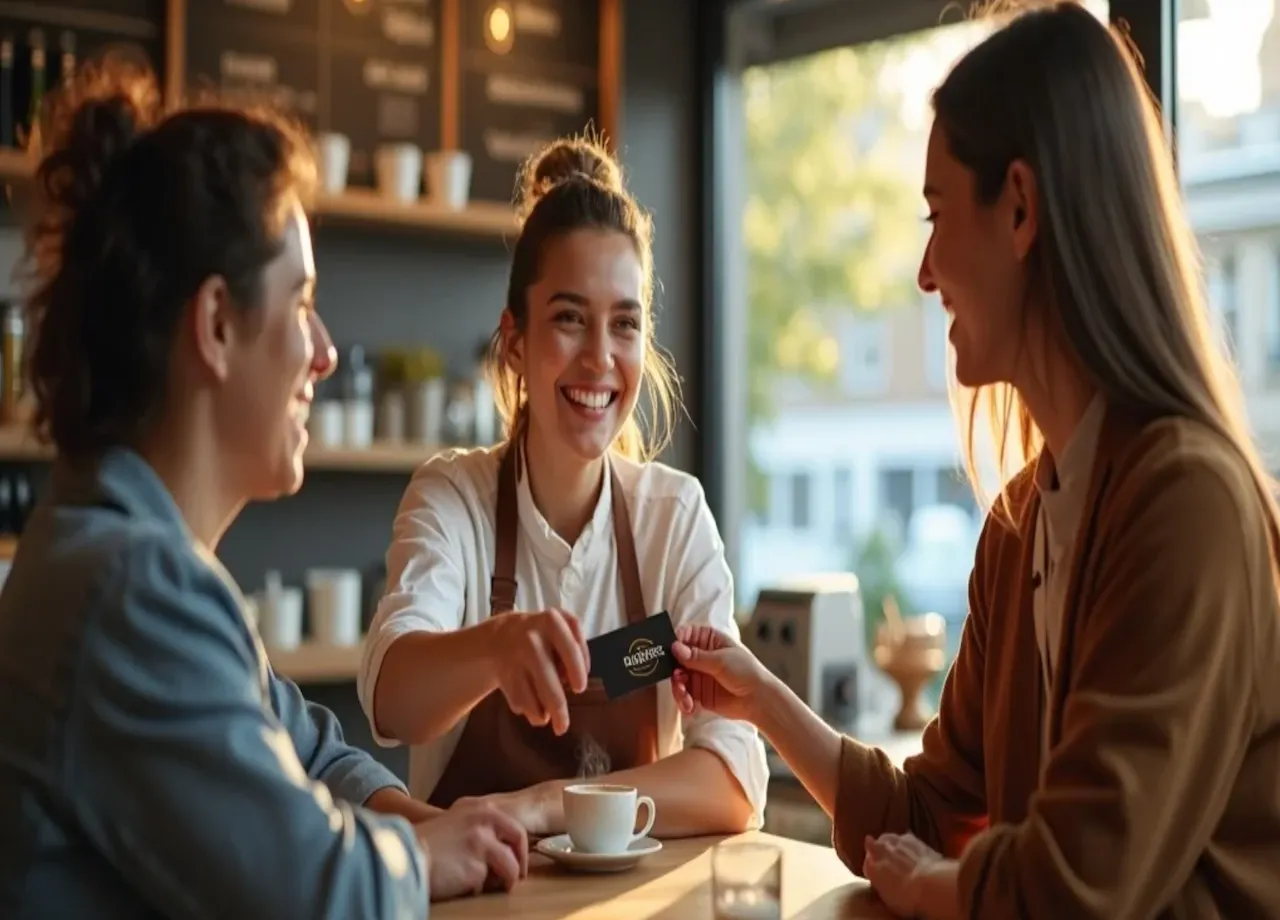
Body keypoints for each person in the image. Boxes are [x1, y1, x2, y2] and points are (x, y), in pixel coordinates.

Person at [667, 4, 1280, 919]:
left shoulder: (1187, 501)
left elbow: (1078, 887)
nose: (924, 268)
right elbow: (935, 811)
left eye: (939, 213)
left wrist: (940, 889)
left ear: (1022, 207)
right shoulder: (1023, 522)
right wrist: (763, 701)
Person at [0, 58, 527, 919]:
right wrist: (417, 853)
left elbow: (306, 747)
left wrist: (422, 823)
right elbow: (317, 896)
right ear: (214, 327)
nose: (323, 350)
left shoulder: (127, 549)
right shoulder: (132, 588)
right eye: (302, 303)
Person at [357, 136, 768, 838]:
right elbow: (392, 702)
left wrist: (548, 805)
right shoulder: (454, 498)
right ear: (514, 340)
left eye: (625, 325)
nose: (600, 358)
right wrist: (495, 647)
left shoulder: (674, 518)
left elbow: (732, 781)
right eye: (570, 318)